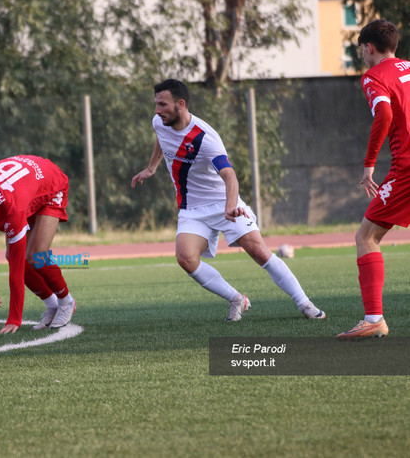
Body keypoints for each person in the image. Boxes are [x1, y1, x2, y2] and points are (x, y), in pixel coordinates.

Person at [131, 79, 326, 322]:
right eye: (156, 104)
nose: (157, 110)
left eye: (163, 104)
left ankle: (305, 303)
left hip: (224, 203)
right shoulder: (159, 122)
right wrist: (152, 168)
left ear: (180, 104)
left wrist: (230, 206)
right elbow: (161, 137)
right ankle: (236, 299)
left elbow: (229, 175)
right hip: (191, 208)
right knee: (186, 258)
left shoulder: (205, 138)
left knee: (259, 252)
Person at [337, 20, 410, 339]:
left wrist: (368, 165)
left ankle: (374, 319)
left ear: (368, 47)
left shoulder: (373, 76)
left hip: (407, 166)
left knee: (366, 236)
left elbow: (384, 114)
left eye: (360, 49)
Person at [0, 155, 77, 334]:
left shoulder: (12, 210)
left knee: (36, 256)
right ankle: (52, 305)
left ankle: (66, 301)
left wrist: (14, 318)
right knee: (11, 256)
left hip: (51, 183)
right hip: (25, 186)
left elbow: (16, 273)